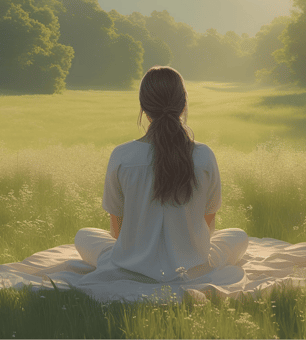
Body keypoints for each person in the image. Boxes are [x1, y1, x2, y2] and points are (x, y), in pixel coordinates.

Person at [74, 66, 248, 283]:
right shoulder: (204, 156)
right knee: (238, 236)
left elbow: (117, 231)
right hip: (193, 267)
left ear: (143, 107)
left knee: (84, 235)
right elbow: (208, 224)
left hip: (131, 266)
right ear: (183, 104)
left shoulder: (122, 156)